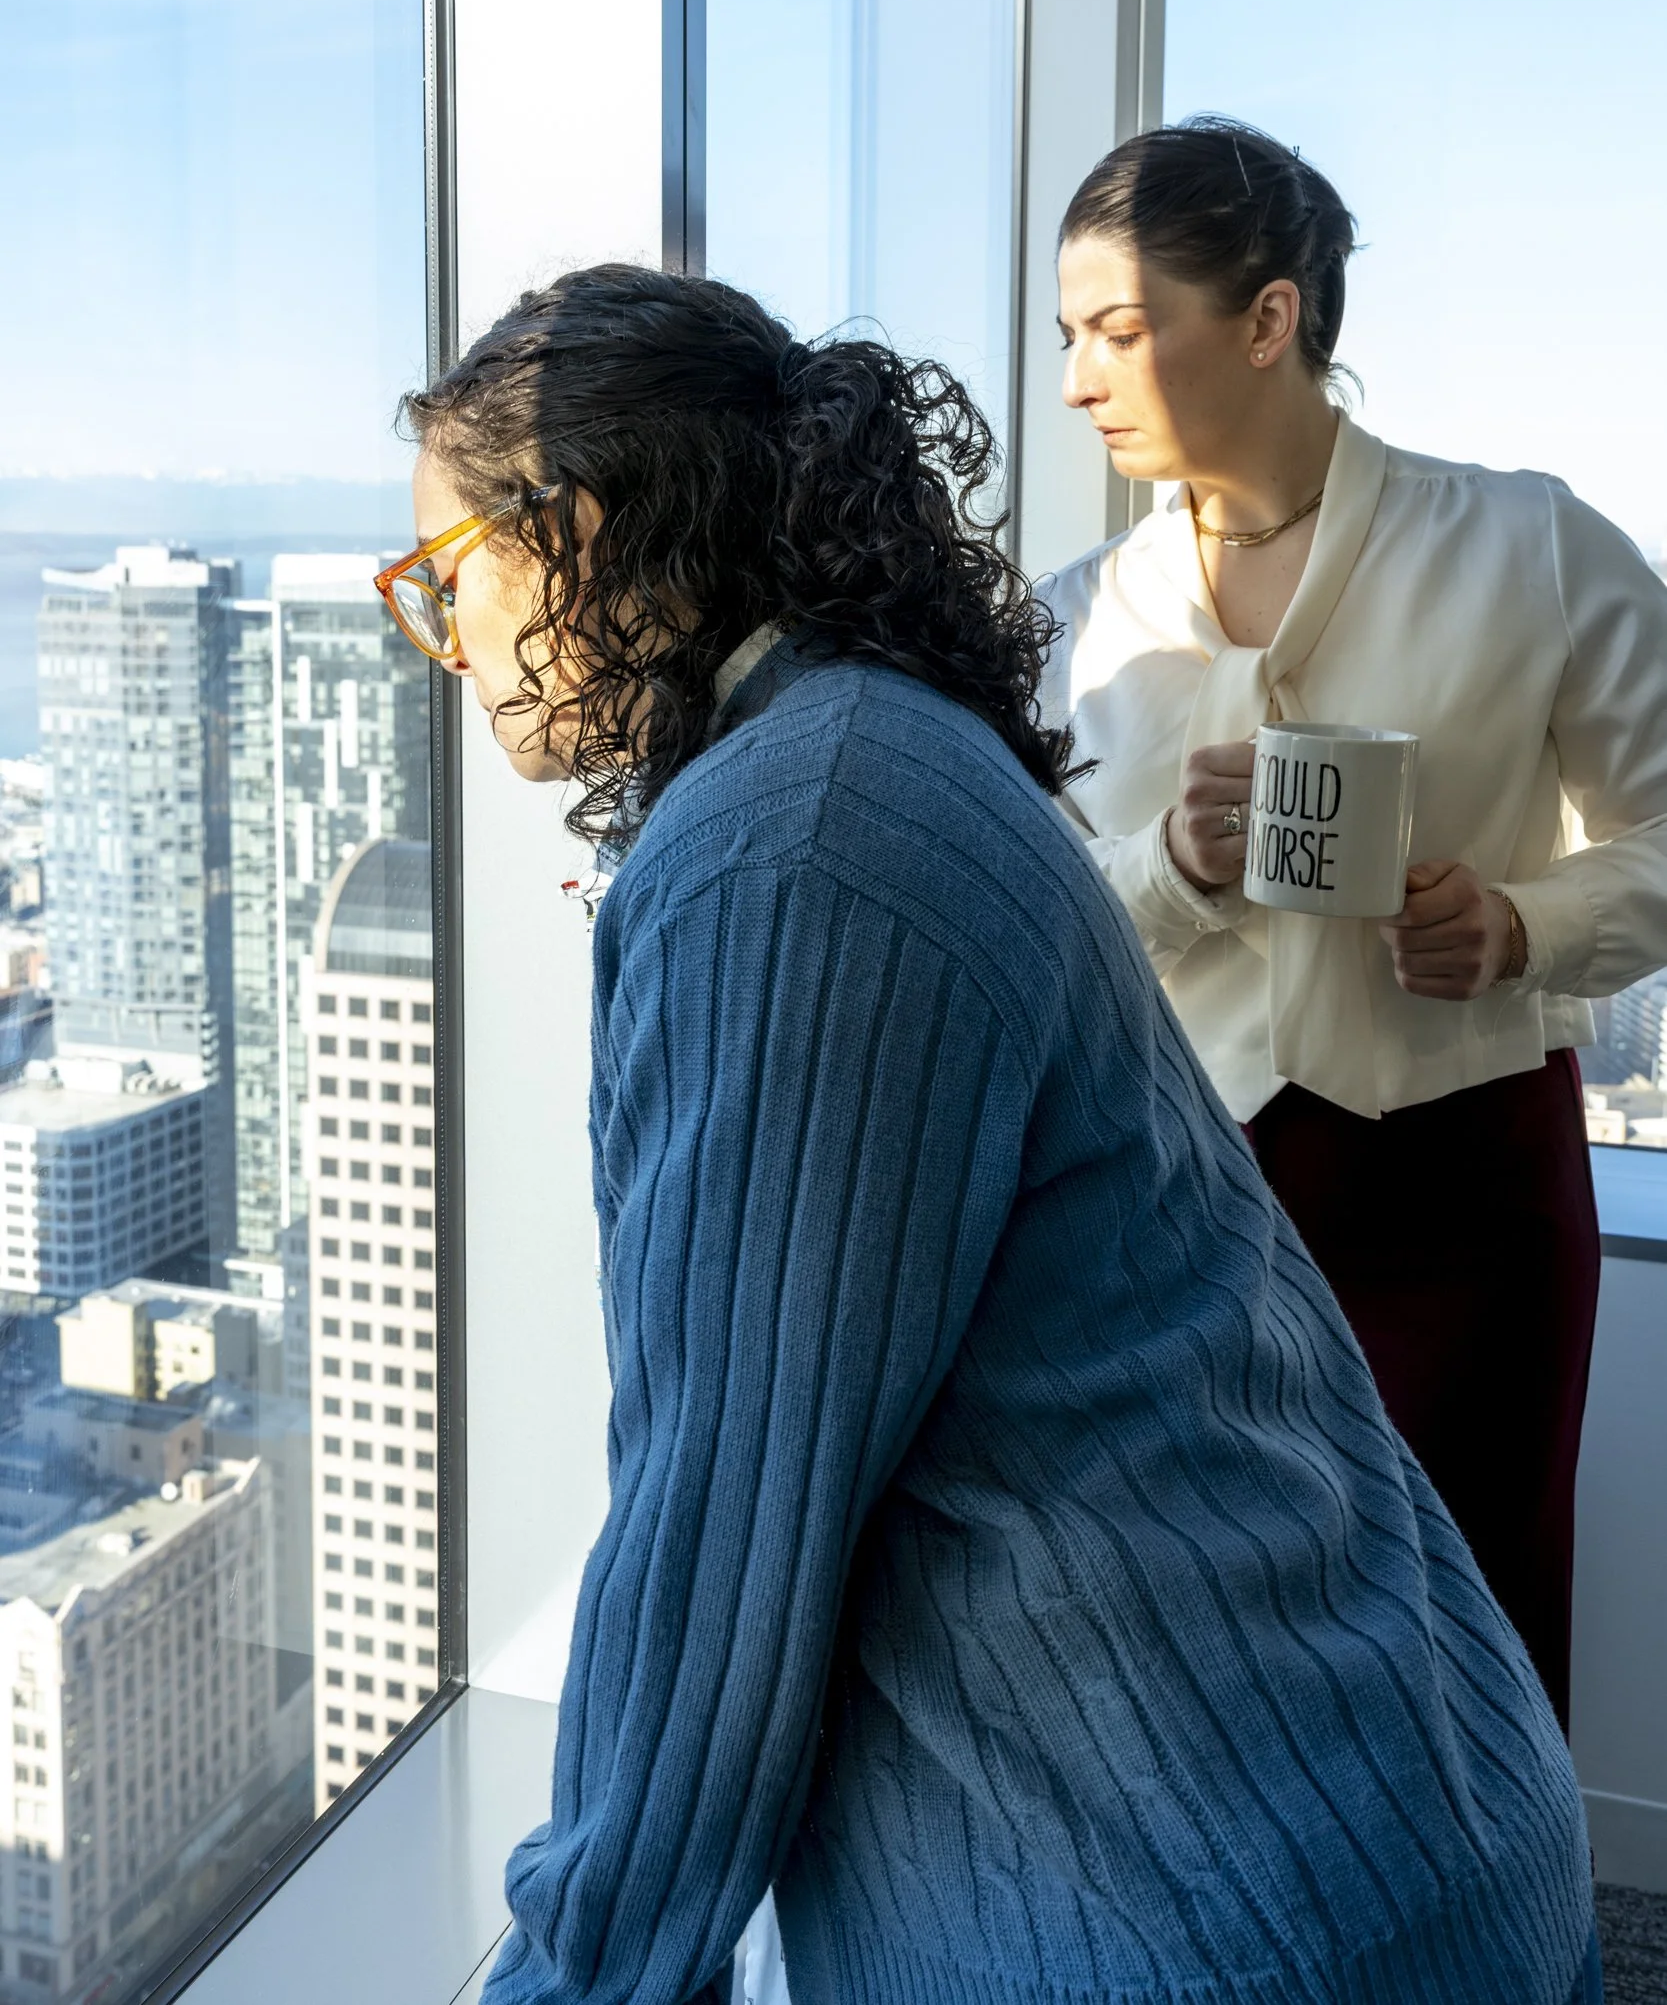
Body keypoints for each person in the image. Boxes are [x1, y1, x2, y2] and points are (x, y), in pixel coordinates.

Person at [381, 262, 1601, 2005]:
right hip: (1354, 1806)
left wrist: (577, 1983)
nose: (445, 641)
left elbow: (720, 1528)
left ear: (570, 531)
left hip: (1216, 1910)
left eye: (442, 578)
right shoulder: (875, 744)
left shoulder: (786, 848)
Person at [1044, 113, 1667, 1737]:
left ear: (1269, 317)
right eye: (1066, 337)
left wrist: (1523, 926)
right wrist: (1169, 869)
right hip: (1169, 1213)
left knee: (1466, 1650)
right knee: (1195, 1662)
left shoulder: (1530, 544)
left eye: (1116, 331)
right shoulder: (1072, 620)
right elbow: (1037, 929)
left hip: (1461, 1194)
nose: (1077, 382)